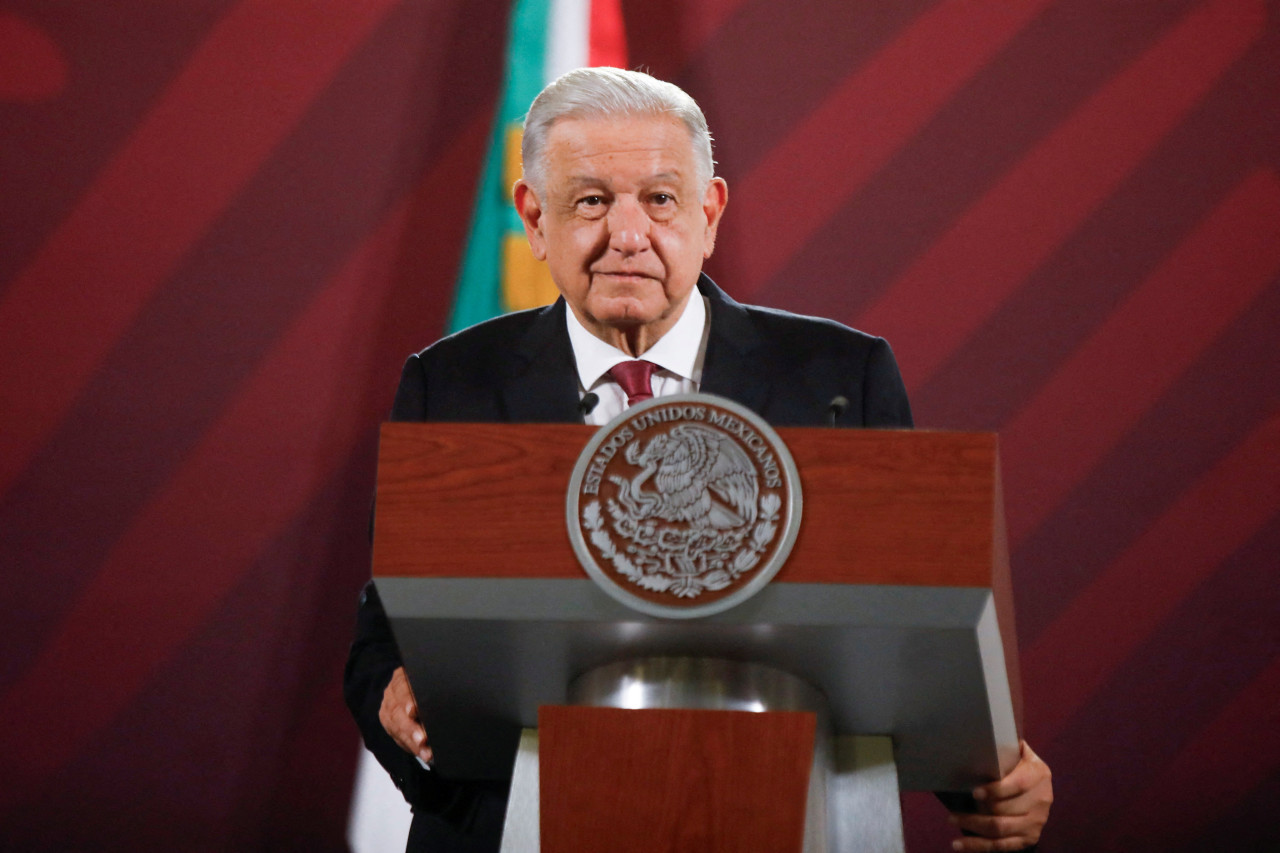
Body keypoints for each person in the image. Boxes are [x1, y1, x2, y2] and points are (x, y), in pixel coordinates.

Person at [345, 67, 1052, 852]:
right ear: (533, 218)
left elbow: (906, 631)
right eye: (589, 201)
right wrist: (399, 699)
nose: (628, 234)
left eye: (659, 198)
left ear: (708, 213)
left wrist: (990, 776)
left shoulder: (839, 379)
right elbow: (382, 643)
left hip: (790, 817)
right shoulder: (450, 385)